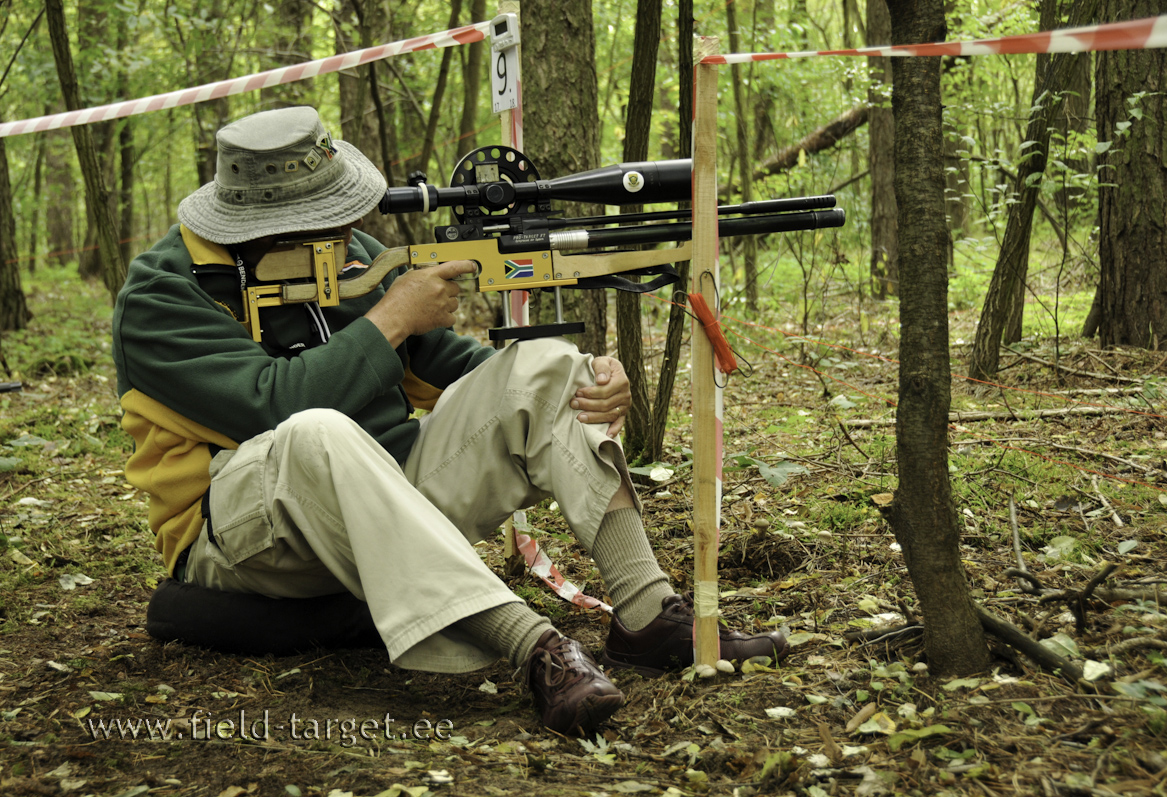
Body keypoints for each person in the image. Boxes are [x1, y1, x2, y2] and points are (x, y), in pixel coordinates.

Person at [112, 105, 787, 737]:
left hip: (390, 491)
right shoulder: (162, 293)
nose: (348, 230)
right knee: (315, 432)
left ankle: (647, 615)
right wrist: (393, 315)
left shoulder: (347, 256)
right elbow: (270, 404)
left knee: (546, 365)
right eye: (329, 218)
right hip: (241, 540)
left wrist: (580, 380)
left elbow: (459, 371)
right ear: (268, 227)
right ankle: (536, 648)